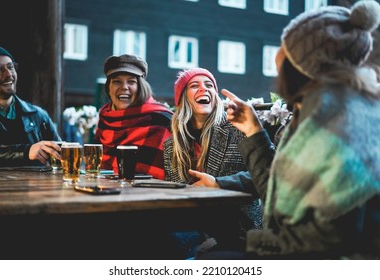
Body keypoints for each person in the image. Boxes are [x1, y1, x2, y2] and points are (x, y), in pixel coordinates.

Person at [200, 0, 380, 259]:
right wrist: (253, 132)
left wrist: (255, 242)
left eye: (285, 46)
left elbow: (327, 243)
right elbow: (281, 184)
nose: (277, 54)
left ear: (302, 65)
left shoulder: (337, 126)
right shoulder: (325, 108)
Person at [164, 67, 262, 258]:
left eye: (209, 85)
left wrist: (219, 184)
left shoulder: (237, 129)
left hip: (236, 229)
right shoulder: (171, 145)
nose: (204, 89)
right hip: (190, 226)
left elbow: (267, 176)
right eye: (194, 85)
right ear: (183, 98)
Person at [94, 54, 173, 179]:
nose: (124, 87)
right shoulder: (104, 119)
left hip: (153, 193)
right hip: (104, 192)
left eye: (131, 81)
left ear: (141, 87)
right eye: (116, 82)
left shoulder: (161, 119)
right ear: (108, 88)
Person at [0, 45, 62, 168]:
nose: (8, 74)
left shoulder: (39, 115)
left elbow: (60, 154)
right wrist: (26, 151)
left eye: (11, 67)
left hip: (36, 187)